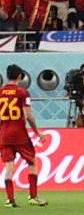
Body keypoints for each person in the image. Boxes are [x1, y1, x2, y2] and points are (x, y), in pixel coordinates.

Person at [0, 64, 44, 206]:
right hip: (19, 134)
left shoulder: (0, 92)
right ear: (19, 76)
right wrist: (38, 132)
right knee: (31, 161)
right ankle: (33, 196)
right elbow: (28, 115)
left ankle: (10, 199)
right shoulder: (22, 92)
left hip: (4, 134)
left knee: (9, 166)